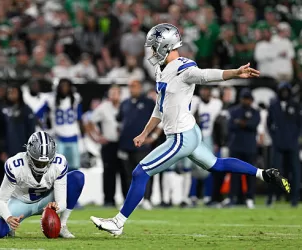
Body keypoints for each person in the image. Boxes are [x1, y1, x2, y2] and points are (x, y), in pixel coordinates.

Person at [91, 23, 290, 236]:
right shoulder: (163, 69)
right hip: (189, 132)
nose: (151, 51)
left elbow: (205, 75)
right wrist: (144, 133)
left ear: (165, 46)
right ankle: (265, 174)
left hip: (180, 137)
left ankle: (118, 222)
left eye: (154, 46)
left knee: (141, 172)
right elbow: (160, 108)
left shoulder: (182, 67)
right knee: (216, 165)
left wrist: (235, 72)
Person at [0, 131, 85, 238]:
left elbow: (62, 202)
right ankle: (9, 228)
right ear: (28, 154)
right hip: (20, 203)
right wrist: (9, 217)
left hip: (46, 201)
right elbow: (0, 201)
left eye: (45, 163)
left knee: (77, 178)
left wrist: (56, 207)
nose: (41, 166)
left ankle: (62, 225)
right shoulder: (15, 165)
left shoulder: (59, 163)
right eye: (38, 162)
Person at [116, 79, 155, 210]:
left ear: (140, 88)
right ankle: (130, 201)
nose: (133, 89)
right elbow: (120, 121)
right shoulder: (125, 103)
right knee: (127, 174)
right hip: (126, 144)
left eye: (135, 86)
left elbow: (160, 119)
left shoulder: (149, 103)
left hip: (142, 145)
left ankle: (147, 199)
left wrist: (153, 136)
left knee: (144, 173)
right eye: (131, 86)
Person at [267, 83, 301, 207]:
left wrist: (295, 138)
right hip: (278, 144)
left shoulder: (295, 105)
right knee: (274, 171)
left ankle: (294, 198)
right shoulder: (273, 105)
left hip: (292, 144)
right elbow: (268, 123)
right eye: (282, 90)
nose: (284, 93)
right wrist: (274, 137)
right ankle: (271, 197)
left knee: (295, 171)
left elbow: (299, 124)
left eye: (286, 90)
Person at [87, 85, 121, 207]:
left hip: (122, 143)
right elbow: (89, 122)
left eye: (116, 93)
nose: (114, 96)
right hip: (109, 143)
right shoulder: (103, 107)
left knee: (124, 172)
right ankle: (108, 199)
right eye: (112, 93)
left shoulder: (125, 106)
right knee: (108, 172)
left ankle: (126, 199)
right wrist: (97, 137)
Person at [227, 88, 260, 209]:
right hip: (236, 146)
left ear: (251, 100)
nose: (245, 101)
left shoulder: (255, 112)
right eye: (244, 98)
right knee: (234, 173)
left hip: (250, 147)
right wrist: (245, 124)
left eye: (248, 99)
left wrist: (241, 123)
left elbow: (253, 125)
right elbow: (230, 126)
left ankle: (250, 198)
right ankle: (234, 197)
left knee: (250, 173)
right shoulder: (234, 111)